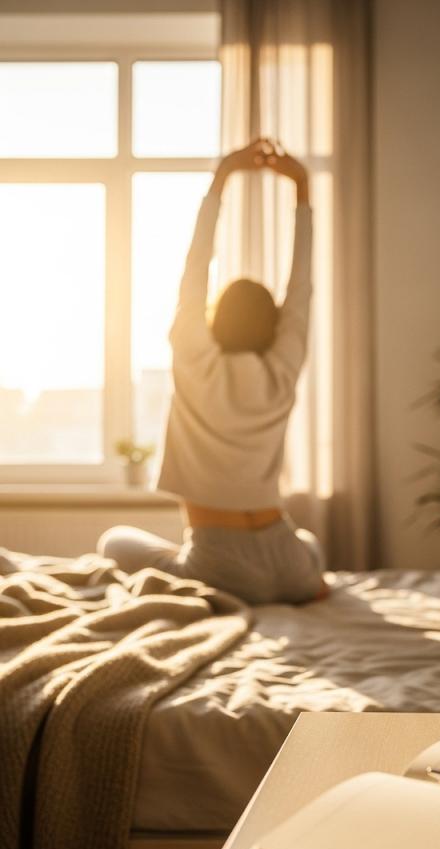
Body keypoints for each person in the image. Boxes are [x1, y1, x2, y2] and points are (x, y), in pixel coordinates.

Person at [98, 138, 326, 604]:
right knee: (310, 546)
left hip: (221, 565)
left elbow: (195, 269)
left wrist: (222, 177)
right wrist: (302, 188)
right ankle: (301, 580)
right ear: (274, 326)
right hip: (291, 563)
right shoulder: (283, 366)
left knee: (115, 541)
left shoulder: (194, 358)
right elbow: (300, 287)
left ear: (213, 319)